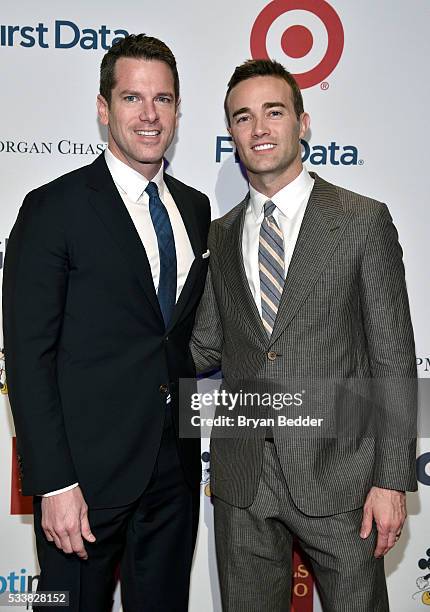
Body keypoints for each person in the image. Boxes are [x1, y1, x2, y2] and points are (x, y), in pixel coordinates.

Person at [190, 59, 417, 611]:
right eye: (243, 118)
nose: (259, 128)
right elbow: (205, 346)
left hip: (342, 478)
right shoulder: (219, 235)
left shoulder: (361, 220)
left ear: (302, 122)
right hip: (243, 481)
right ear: (233, 136)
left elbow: (393, 359)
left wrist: (392, 481)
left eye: (273, 112)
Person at [3, 34, 210, 612]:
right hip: (83, 483)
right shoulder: (53, 207)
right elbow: (27, 355)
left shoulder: (194, 209)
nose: (149, 115)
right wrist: (53, 483)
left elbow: (176, 337)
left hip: (173, 473)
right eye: (132, 98)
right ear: (103, 109)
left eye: (163, 100)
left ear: (176, 110)